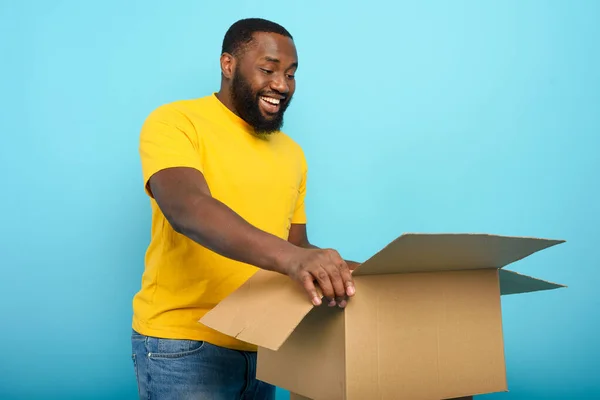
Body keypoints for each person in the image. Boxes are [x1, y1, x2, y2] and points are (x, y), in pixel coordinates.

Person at [130, 18, 360, 400]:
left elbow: (295, 245)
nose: (282, 85)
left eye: (290, 74)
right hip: (184, 346)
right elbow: (188, 209)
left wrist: (349, 272)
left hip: (262, 342)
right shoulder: (176, 122)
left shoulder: (292, 153)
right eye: (268, 70)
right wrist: (294, 259)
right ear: (228, 64)